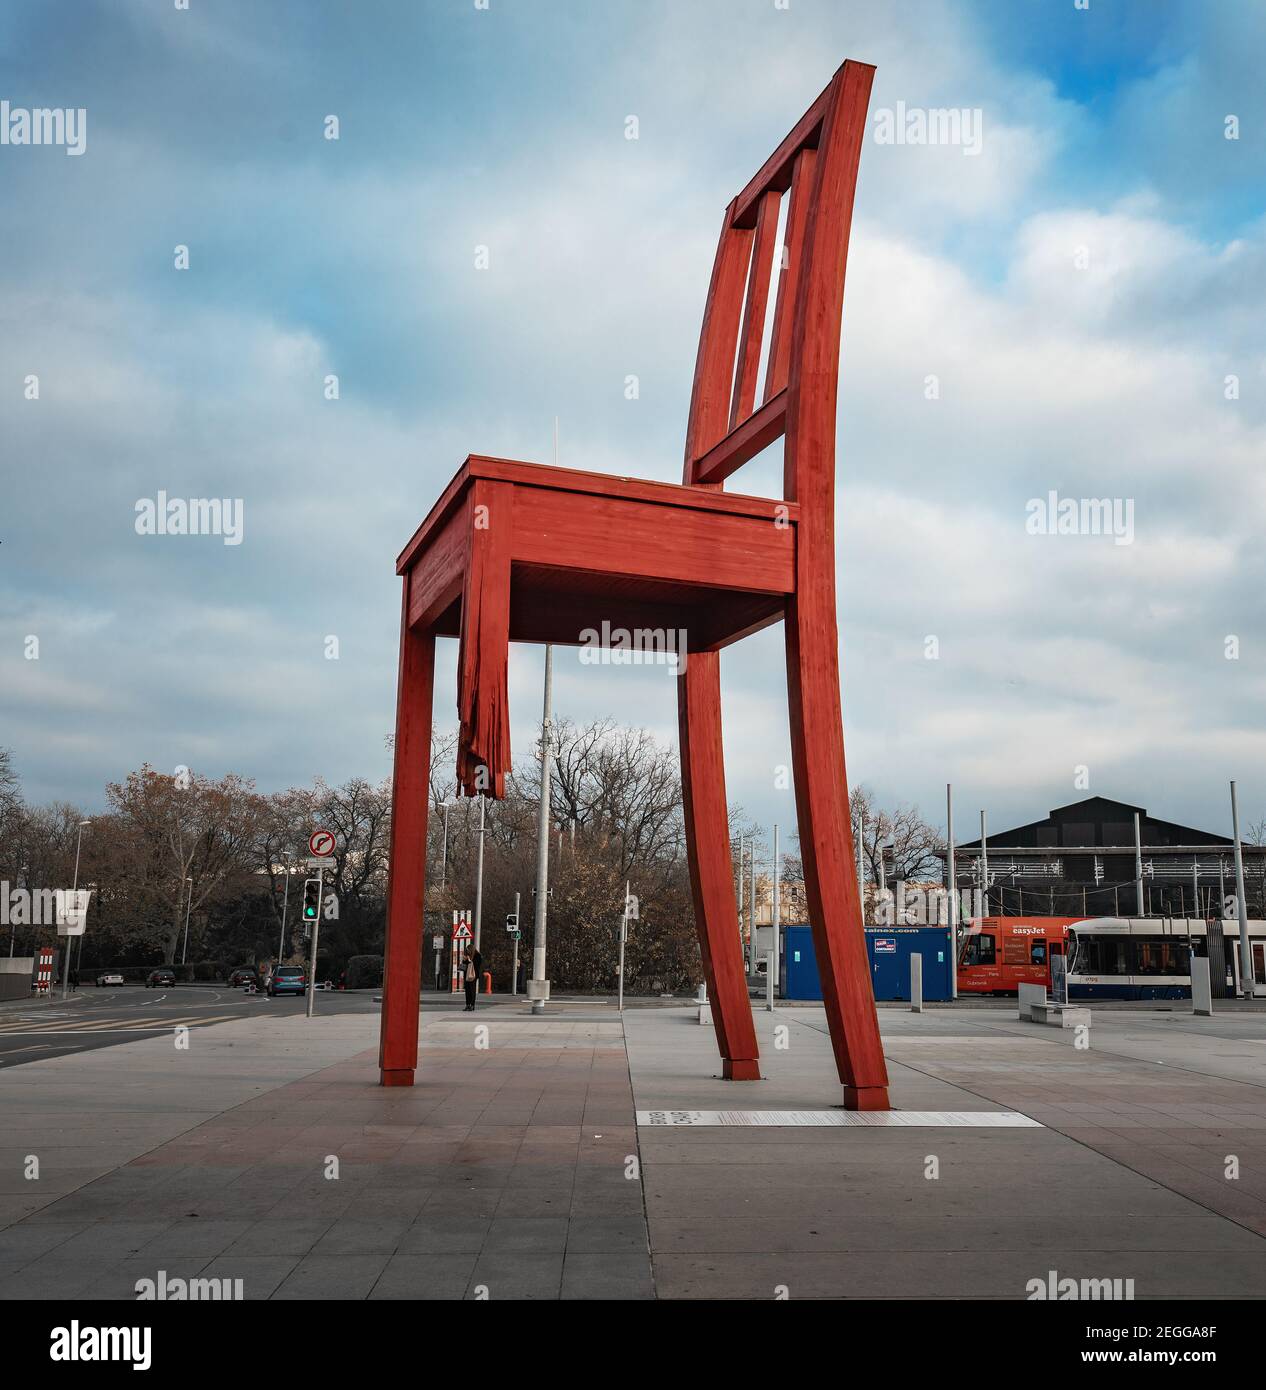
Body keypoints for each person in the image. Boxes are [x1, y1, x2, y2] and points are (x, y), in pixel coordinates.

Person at [463, 945, 482, 1011]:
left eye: (468, 949)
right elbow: (465, 964)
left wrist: (469, 960)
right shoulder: (467, 955)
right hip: (467, 975)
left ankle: (472, 1005)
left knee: (472, 990)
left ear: (471, 949)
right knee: (467, 990)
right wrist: (464, 960)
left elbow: (477, 965)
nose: (467, 951)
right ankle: (467, 1004)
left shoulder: (478, 955)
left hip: (473, 975)